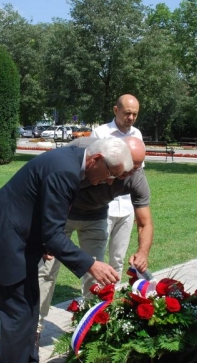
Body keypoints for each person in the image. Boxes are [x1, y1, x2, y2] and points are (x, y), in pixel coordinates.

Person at [0, 138, 132, 363]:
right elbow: (54, 232)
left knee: (30, 305)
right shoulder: (65, 171)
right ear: (96, 159)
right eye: (110, 173)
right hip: (4, 237)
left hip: (22, 237)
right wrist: (90, 264)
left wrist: (46, 241)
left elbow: (47, 219)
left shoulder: (73, 164)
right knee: (18, 312)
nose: (109, 181)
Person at [37, 136, 153, 334]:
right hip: (62, 215)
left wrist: (142, 252)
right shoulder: (85, 150)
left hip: (95, 217)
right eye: (130, 166)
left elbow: (145, 222)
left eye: (137, 167)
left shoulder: (136, 175)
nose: (131, 172)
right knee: (46, 270)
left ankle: (91, 326)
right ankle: (35, 329)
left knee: (96, 274)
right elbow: (50, 177)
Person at [91, 95, 144, 290]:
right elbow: (91, 170)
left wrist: (139, 208)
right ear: (115, 110)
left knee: (118, 256)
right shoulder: (100, 133)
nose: (131, 118)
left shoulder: (137, 134)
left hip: (127, 206)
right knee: (96, 256)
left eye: (135, 114)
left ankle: (110, 297)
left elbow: (139, 172)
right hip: (102, 205)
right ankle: (91, 300)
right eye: (127, 113)